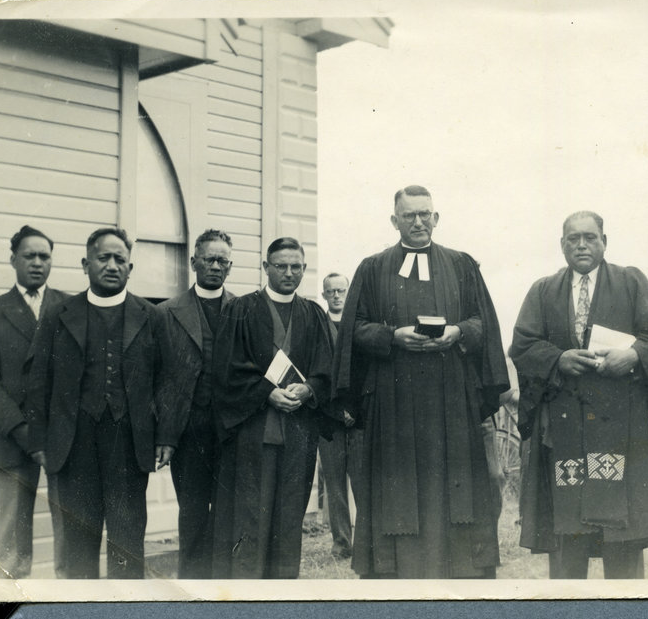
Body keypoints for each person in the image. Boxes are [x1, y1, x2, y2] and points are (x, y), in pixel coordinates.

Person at [331, 185, 510, 579]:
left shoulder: (462, 265)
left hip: (452, 400)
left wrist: (458, 332)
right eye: (409, 215)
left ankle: (460, 571)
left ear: (436, 217)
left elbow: (484, 324)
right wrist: (392, 335)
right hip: (394, 402)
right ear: (394, 220)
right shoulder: (372, 267)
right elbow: (353, 330)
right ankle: (396, 573)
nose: (418, 222)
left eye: (425, 214)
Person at [510, 211, 648, 579]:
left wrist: (633, 356)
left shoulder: (630, 282)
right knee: (568, 537)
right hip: (566, 430)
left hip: (620, 429)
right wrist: (558, 358)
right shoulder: (543, 290)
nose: (581, 245)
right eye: (573, 239)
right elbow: (522, 345)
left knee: (623, 537)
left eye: (590, 237)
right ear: (562, 244)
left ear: (604, 240)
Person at [26, 227, 173, 579]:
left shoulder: (151, 317)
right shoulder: (58, 314)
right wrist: (38, 441)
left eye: (119, 259)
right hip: (72, 445)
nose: (111, 265)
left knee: (127, 545)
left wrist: (166, 436)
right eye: (103, 258)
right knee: (78, 547)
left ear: (130, 267)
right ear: (85, 263)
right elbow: (37, 381)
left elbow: (168, 381)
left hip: (128, 446)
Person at [211, 237, 335, 579]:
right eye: (280, 266)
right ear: (266, 268)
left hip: (298, 435)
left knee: (288, 519)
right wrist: (266, 393)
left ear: (305, 269)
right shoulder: (241, 310)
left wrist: (309, 389)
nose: (289, 273)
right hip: (253, 432)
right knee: (251, 518)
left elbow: (328, 370)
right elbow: (225, 370)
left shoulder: (314, 314)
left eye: (296, 266)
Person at [0, 225, 68, 578]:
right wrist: (23, 431)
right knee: (10, 546)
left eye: (44, 256)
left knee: (70, 534)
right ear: (13, 259)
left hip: (64, 438)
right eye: (29, 256)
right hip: (11, 438)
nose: (37, 263)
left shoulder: (69, 307)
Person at [156, 229, 236, 578]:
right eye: (209, 259)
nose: (216, 266)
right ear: (194, 262)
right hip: (188, 432)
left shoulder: (245, 309)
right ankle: (191, 587)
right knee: (191, 513)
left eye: (223, 261)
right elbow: (156, 378)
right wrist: (165, 432)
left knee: (228, 512)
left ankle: (223, 589)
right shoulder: (165, 313)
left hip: (232, 431)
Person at [316, 272, 364, 559]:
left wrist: (353, 410)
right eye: (331, 291)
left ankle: (366, 542)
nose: (336, 295)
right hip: (329, 420)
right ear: (324, 295)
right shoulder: (318, 326)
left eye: (341, 290)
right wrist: (335, 410)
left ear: (348, 293)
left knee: (360, 480)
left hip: (357, 419)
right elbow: (317, 374)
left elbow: (363, 373)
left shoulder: (358, 326)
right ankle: (342, 543)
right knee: (334, 485)